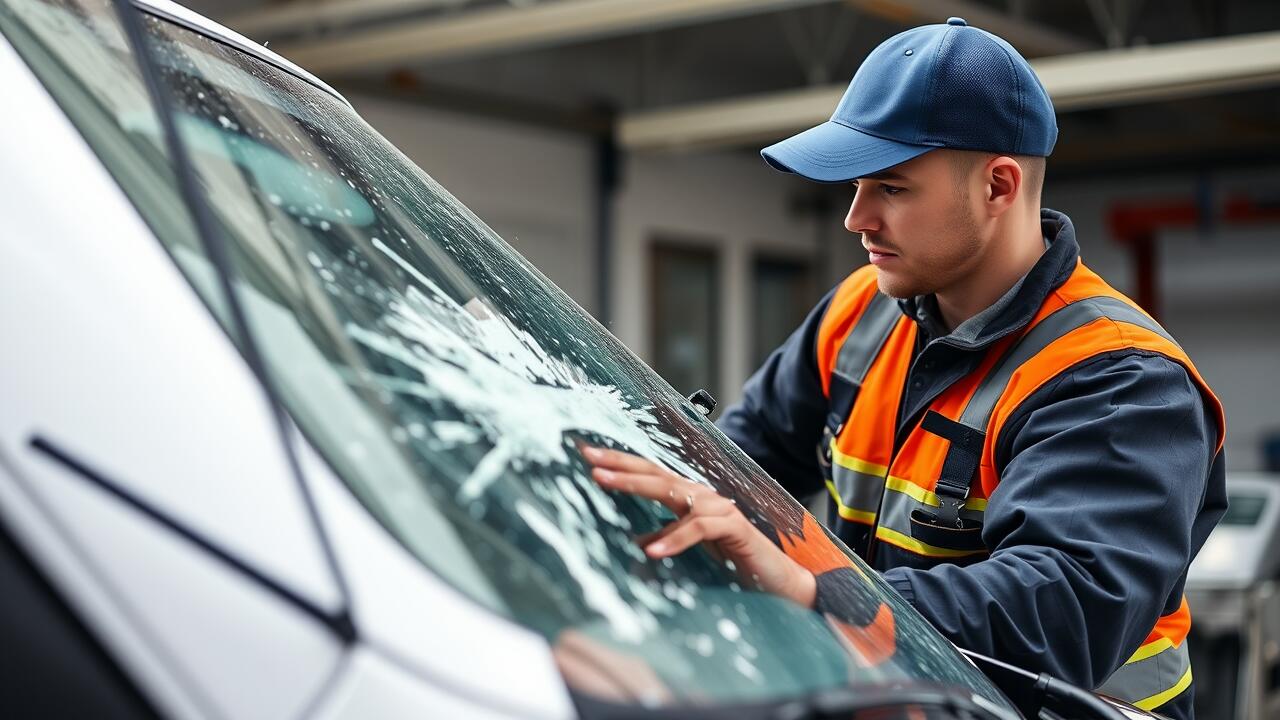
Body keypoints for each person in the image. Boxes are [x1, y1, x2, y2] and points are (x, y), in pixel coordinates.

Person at [584, 16, 1226, 720]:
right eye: (857, 186)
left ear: (999, 186)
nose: (856, 218)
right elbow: (739, 467)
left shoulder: (1119, 377)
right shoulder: (860, 311)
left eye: (891, 188)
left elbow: (1057, 613)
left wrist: (818, 588)